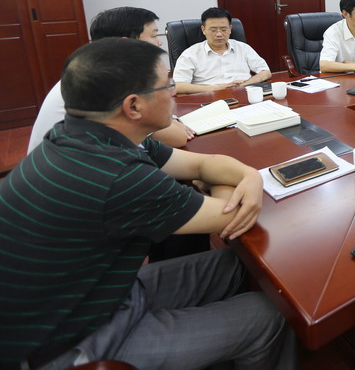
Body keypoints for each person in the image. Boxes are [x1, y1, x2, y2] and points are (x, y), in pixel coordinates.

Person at [0, 39, 296, 369]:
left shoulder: (84, 134)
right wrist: (239, 181)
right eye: (166, 84)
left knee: (237, 265)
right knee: (271, 316)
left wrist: (250, 177)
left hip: (106, 294)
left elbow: (202, 165)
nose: (174, 91)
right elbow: (230, 215)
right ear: (134, 106)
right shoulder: (117, 176)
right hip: (73, 341)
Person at [27, 6, 193, 153]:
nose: (158, 43)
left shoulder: (97, 69)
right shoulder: (109, 81)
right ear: (127, 43)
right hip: (75, 170)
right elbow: (177, 137)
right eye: (154, 35)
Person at [173, 7, 271, 94]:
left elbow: (265, 72)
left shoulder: (242, 48)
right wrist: (218, 88)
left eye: (223, 29)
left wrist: (245, 84)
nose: (219, 34)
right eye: (213, 30)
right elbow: (178, 85)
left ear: (230, 29)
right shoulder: (190, 54)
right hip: (209, 98)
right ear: (203, 29)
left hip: (244, 94)